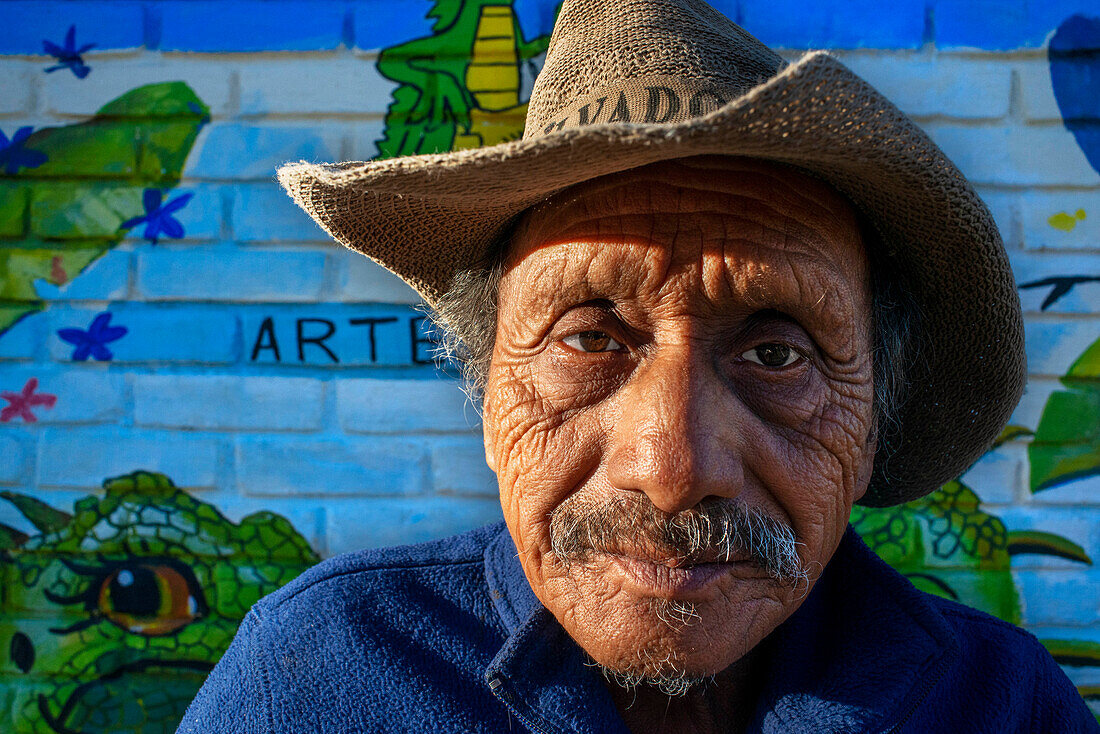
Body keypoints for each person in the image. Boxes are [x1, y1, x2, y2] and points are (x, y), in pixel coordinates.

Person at [178, 0, 1098, 732]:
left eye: (777, 353)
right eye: (589, 339)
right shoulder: (318, 679)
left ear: (872, 421)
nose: (671, 472)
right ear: (487, 387)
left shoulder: (1000, 705)